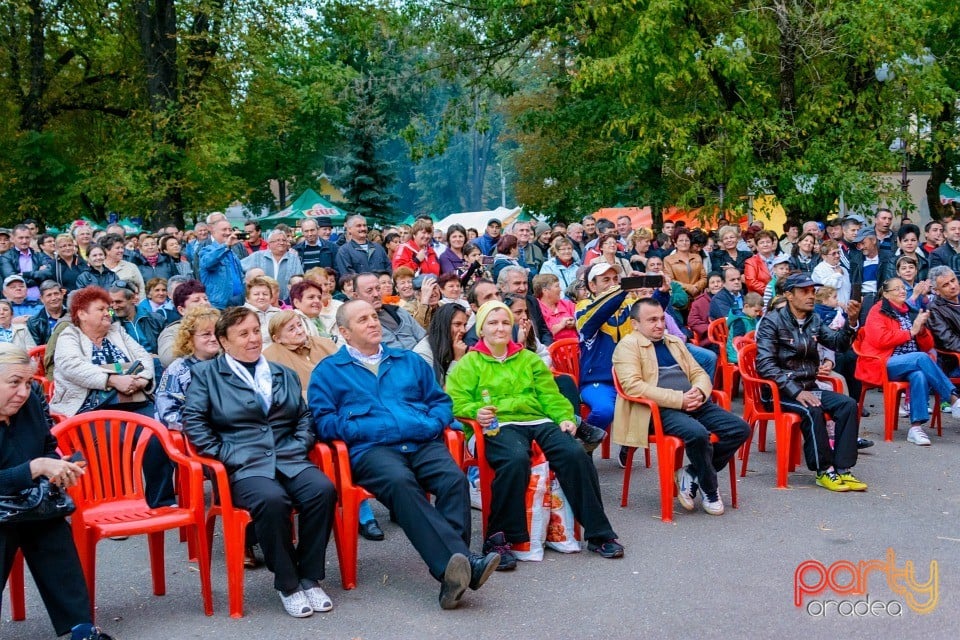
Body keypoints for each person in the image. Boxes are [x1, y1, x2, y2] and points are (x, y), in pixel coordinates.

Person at [309, 300, 500, 609]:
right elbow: (323, 421)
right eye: (363, 320)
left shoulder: (407, 361)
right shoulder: (330, 371)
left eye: (374, 316)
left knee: (453, 479)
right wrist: (364, 429)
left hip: (420, 441)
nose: (373, 323)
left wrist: (432, 423)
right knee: (401, 483)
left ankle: (453, 575)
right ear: (344, 331)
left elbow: (440, 402)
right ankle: (462, 563)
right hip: (371, 450)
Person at [182, 307, 336, 618]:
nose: (253, 339)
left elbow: (304, 418)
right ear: (224, 341)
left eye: (255, 331)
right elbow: (194, 423)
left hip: (288, 457)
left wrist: (298, 445)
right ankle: (289, 583)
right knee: (272, 500)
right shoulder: (206, 376)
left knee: (322, 490)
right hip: (244, 465)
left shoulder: (282, 373)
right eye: (243, 334)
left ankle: (309, 576)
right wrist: (228, 455)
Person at [447, 300, 624, 562]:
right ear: (481, 329)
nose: (500, 328)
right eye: (493, 323)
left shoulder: (528, 359)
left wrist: (565, 417)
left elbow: (549, 395)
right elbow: (454, 401)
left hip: (536, 421)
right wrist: (475, 412)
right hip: (495, 425)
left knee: (575, 453)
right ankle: (500, 539)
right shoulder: (469, 363)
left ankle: (599, 534)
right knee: (514, 459)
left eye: (505, 322)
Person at [0, 345, 115, 640]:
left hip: (28, 501)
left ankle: (81, 628)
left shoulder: (29, 405)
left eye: (28, 383)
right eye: (14, 383)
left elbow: (47, 447)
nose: (23, 392)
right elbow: (34, 464)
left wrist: (60, 466)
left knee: (51, 527)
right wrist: (35, 467)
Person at [612, 298, 750, 514]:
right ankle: (710, 488)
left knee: (740, 429)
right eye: (651, 320)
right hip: (657, 411)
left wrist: (701, 391)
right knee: (697, 434)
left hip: (693, 402)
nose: (659, 324)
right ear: (635, 324)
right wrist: (679, 399)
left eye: (661, 319)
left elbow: (698, 372)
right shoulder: (627, 346)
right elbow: (633, 387)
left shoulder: (673, 341)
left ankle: (692, 473)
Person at [49, 286, 174, 507]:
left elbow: (144, 357)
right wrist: (112, 380)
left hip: (131, 400)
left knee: (158, 433)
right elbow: (71, 366)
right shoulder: (70, 334)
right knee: (114, 438)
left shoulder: (118, 332)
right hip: (90, 408)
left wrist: (143, 379)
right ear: (81, 314)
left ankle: (161, 501)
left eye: (109, 309)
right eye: (101, 309)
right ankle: (114, 503)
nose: (108, 313)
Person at [755, 274, 866, 492]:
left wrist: (851, 323)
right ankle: (824, 471)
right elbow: (765, 365)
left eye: (812, 291)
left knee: (848, 405)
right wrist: (795, 391)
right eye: (804, 291)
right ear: (789, 295)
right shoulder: (772, 321)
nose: (811, 296)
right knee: (812, 408)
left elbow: (837, 343)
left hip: (809, 387)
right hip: (780, 392)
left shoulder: (813, 319)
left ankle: (843, 469)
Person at [855, 277, 960, 446]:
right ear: (886, 294)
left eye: (903, 288)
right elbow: (880, 340)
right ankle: (953, 399)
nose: (902, 291)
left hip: (909, 363)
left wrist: (921, 330)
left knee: (919, 374)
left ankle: (915, 428)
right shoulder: (878, 310)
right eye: (896, 289)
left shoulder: (909, 311)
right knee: (920, 358)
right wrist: (911, 332)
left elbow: (928, 346)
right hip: (882, 363)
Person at [155, 306, 221, 432]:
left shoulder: (228, 363)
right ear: (189, 338)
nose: (214, 338)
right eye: (206, 334)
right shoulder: (177, 369)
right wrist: (204, 429)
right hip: (191, 435)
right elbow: (168, 414)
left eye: (217, 333)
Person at [263, 310, 337, 395]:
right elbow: (282, 394)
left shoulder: (326, 344)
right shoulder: (271, 357)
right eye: (291, 329)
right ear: (277, 339)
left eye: (300, 325)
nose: (300, 331)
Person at [352, 272, 426, 350]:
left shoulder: (399, 311)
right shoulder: (357, 325)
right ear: (356, 296)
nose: (376, 294)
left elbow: (423, 337)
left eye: (378, 288)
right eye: (369, 291)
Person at [157, 279, 210, 366]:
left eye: (206, 299)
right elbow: (168, 359)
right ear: (182, 310)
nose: (204, 303)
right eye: (196, 300)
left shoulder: (219, 325)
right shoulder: (172, 331)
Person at [241, 229, 304, 302]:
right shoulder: (257, 256)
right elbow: (238, 267)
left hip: (286, 302)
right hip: (261, 301)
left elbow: (300, 278)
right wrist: (246, 283)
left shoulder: (293, 259)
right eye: (278, 240)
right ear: (269, 243)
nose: (281, 243)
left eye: (284, 240)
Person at [198, 219, 245, 309]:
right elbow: (208, 262)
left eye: (230, 230)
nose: (228, 233)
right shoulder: (207, 250)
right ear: (214, 232)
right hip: (219, 306)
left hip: (238, 303)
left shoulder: (232, 252)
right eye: (224, 229)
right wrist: (226, 245)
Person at [109, 282, 165, 355]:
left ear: (132, 299)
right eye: (111, 302)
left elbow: (167, 346)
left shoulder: (156, 319)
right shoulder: (110, 323)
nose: (114, 307)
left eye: (118, 302)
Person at [0, 224, 52, 302]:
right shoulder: (6, 257)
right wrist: (38, 277)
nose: (24, 241)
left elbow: (49, 273)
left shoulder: (39, 256)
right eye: (21, 238)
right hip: (17, 301)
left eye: (27, 238)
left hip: (40, 300)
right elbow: (12, 280)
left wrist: (26, 274)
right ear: (13, 239)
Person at [663, 227, 707, 306]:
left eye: (687, 240)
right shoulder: (668, 260)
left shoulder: (697, 257)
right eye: (681, 240)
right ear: (675, 243)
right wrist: (689, 288)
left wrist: (696, 287)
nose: (684, 243)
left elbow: (704, 277)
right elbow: (670, 281)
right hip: (679, 300)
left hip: (697, 298)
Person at [100, 234, 145, 302]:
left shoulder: (131, 267)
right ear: (107, 251)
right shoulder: (100, 268)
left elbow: (142, 289)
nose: (121, 251)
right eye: (117, 248)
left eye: (122, 247)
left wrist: (139, 306)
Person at [533, 273, 577, 341]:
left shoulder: (567, 304)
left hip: (577, 347)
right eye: (557, 286)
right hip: (551, 349)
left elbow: (584, 322)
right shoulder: (536, 308)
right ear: (545, 291)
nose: (560, 289)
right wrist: (560, 325)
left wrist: (575, 323)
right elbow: (539, 335)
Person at [244, 275, 282, 345]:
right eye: (256, 294)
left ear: (271, 297)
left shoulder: (279, 313)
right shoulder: (241, 315)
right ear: (247, 298)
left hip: (279, 350)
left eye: (265, 294)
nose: (261, 297)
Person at [27, 280, 67, 345]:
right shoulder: (34, 322)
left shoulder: (73, 315)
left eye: (56, 293)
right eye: (49, 295)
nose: (53, 298)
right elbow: (37, 348)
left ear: (62, 294)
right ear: (42, 298)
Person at [811, 240, 852, 305]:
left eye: (838, 252)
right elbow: (829, 289)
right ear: (824, 256)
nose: (837, 256)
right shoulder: (819, 270)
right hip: (829, 311)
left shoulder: (843, 269)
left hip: (845, 309)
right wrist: (838, 275)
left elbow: (848, 290)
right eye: (833, 253)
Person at [726, 292, 762, 364]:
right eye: (756, 311)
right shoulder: (739, 322)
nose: (758, 314)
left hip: (748, 349)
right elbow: (737, 343)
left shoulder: (752, 317)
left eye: (759, 311)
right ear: (746, 306)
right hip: (737, 354)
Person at [688, 272, 723, 344]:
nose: (716, 285)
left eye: (718, 282)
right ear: (708, 288)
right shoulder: (699, 302)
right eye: (712, 283)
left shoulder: (730, 298)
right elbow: (693, 322)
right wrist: (712, 329)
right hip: (711, 339)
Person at [743, 230, 779, 296]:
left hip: (780, 297)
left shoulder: (779, 259)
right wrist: (771, 291)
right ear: (757, 246)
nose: (765, 244)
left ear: (772, 244)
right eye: (762, 242)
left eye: (768, 242)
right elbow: (751, 282)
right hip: (759, 298)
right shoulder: (751, 262)